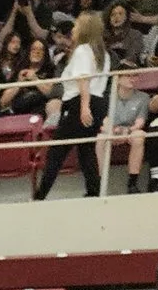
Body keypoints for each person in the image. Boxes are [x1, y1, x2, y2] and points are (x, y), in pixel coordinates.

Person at [36, 11, 110, 199]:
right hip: (98, 102)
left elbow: (83, 79)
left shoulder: (84, 50)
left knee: (57, 150)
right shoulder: (103, 53)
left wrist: (84, 107)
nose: (74, 29)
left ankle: (40, 195)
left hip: (79, 102)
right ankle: (94, 191)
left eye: (77, 25)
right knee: (86, 149)